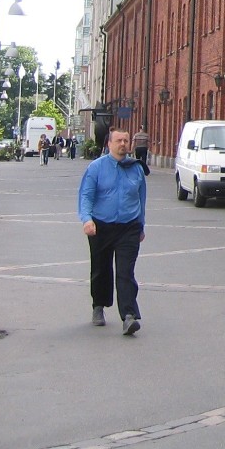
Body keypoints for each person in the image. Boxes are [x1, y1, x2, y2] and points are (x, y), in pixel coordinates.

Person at [78, 127, 147, 336]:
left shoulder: (136, 169)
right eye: (118, 141)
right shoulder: (96, 168)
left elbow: (141, 199)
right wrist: (87, 219)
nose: (123, 144)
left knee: (125, 272)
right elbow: (86, 195)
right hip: (101, 226)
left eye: (126, 140)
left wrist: (141, 225)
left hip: (129, 227)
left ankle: (129, 316)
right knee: (101, 269)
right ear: (109, 144)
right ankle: (98, 306)